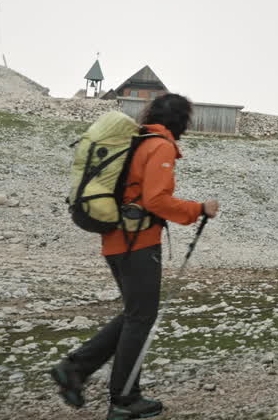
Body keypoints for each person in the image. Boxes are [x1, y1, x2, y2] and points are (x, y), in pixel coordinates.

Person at [49, 93, 220, 420]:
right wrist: (199, 209)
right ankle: (124, 399)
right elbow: (156, 200)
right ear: (181, 120)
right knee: (141, 317)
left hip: (116, 240)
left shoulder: (138, 141)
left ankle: (74, 369)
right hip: (137, 243)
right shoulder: (161, 146)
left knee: (136, 313)